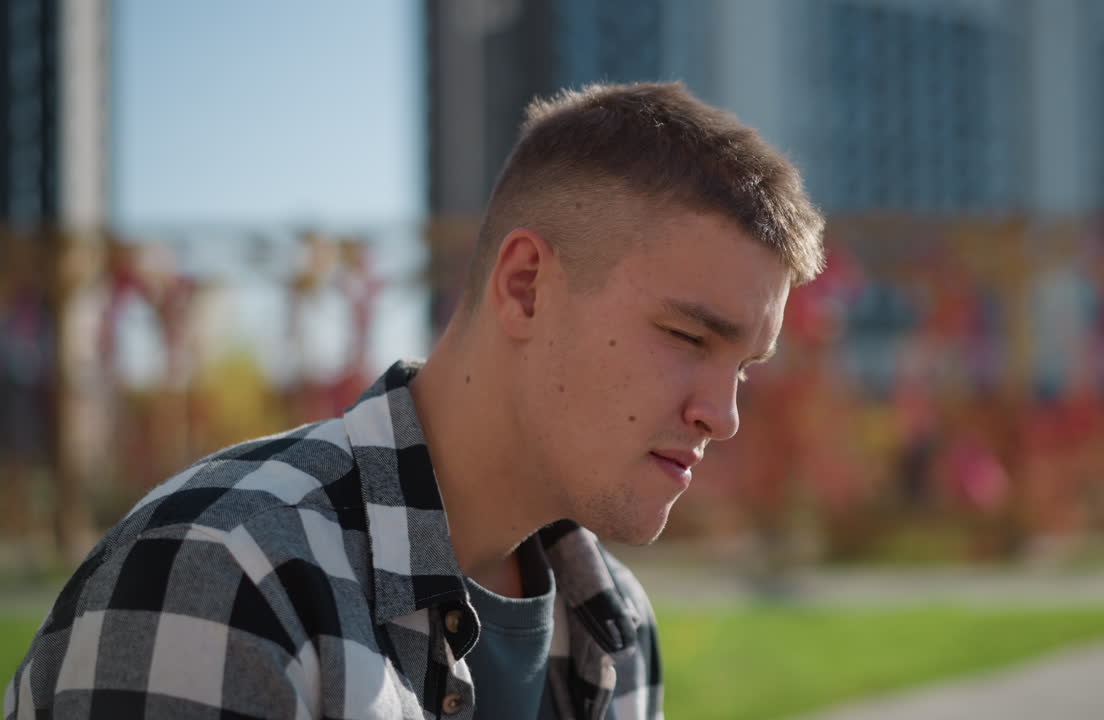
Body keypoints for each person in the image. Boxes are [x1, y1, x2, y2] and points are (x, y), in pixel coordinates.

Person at [4, 81, 825, 720]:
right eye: (689, 338)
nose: (723, 415)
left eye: (745, 366)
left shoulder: (614, 625)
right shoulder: (227, 576)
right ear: (527, 286)